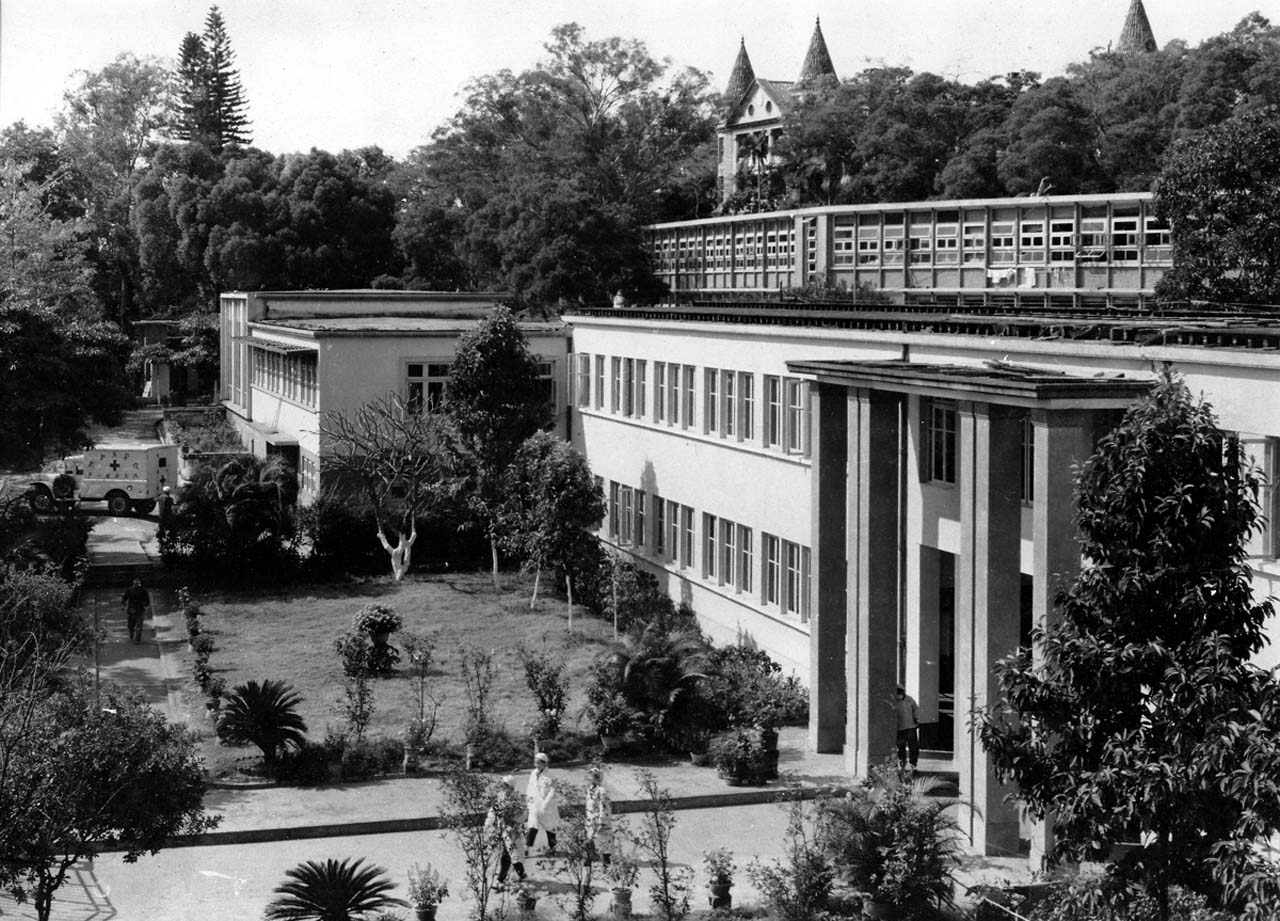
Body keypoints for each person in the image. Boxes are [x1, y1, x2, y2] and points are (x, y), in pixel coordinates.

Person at [486, 775, 527, 890]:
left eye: (505, 785)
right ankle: (522, 874)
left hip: (512, 830)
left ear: (510, 787)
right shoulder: (500, 796)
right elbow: (493, 810)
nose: (502, 787)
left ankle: (500, 880)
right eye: (502, 785)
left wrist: (515, 820)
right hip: (502, 828)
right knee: (511, 854)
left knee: (507, 854)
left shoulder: (517, 799)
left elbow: (523, 814)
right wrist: (488, 823)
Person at [525, 751, 561, 855]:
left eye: (539, 763)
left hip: (547, 806)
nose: (536, 765)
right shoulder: (533, 773)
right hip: (535, 804)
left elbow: (553, 790)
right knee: (532, 826)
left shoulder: (550, 776)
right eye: (535, 763)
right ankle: (527, 848)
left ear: (544, 764)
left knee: (550, 827)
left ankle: (552, 848)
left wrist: (545, 803)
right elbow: (530, 787)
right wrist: (528, 798)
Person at [583, 764, 613, 868]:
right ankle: (589, 859)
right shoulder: (590, 790)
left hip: (600, 819)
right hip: (591, 818)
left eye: (591, 776)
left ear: (597, 778)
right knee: (590, 839)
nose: (589, 778)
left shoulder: (602, 791)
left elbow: (603, 807)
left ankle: (606, 862)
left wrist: (601, 821)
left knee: (603, 841)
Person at [894, 684, 920, 773]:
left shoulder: (909, 700)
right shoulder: (894, 701)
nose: (898, 694)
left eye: (900, 692)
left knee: (914, 748)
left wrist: (917, 719)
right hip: (899, 729)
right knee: (901, 748)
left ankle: (913, 765)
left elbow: (916, 710)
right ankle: (902, 766)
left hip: (910, 727)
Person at [121, 578, 151, 645]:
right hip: (131, 610)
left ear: (139, 584)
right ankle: (131, 633)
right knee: (130, 625)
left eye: (138, 584)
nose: (136, 585)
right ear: (133, 584)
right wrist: (123, 605)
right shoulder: (129, 590)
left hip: (140, 610)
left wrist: (146, 604)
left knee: (139, 625)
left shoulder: (143, 590)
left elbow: (147, 599)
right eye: (135, 584)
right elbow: (124, 597)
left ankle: (137, 639)